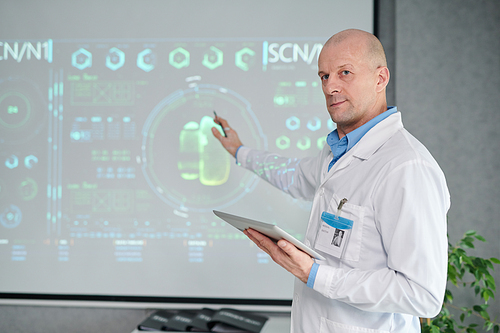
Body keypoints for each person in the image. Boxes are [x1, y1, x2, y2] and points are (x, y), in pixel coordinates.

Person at [212, 29, 450, 333]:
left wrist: (313, 273)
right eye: (324, 76)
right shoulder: (338, 151)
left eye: (345, 73)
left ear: (380, 78)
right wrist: (239, 151)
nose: (330, 86)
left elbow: (422, 295)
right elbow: (294, 175)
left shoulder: (407, 167)